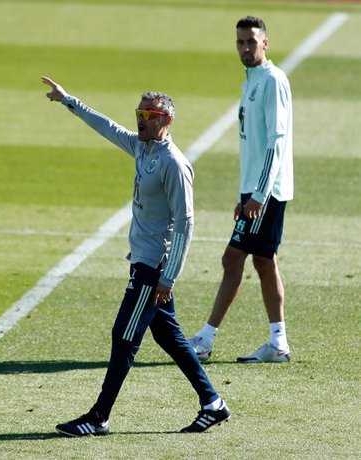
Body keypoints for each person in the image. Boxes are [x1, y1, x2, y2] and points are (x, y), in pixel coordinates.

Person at [41, 76, 230, 436]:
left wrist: (167, 278)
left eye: (149, 113)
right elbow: (107, 127)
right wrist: (69, 101)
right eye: (139, 111)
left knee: (123, 337)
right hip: (144, 263)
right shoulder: (143, 148)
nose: (141, 118)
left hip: (153, 268)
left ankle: (99, 417)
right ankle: (213, 403)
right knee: (169, 337)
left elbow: (186, 225)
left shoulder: (174, 164)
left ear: (166, 121)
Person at [189, 16, 294, 364]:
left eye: (251, 41)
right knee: (264, 262)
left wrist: (259, 195)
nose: (245, 48)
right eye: (240, 42)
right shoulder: (251, 81)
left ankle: (205, 340)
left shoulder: (272, 81)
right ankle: (278, 342)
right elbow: (254, 146)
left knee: (233, 258)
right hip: (256, 193)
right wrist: (244, 194)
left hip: (268, 193)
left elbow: (276, 143)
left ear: (265, 43)